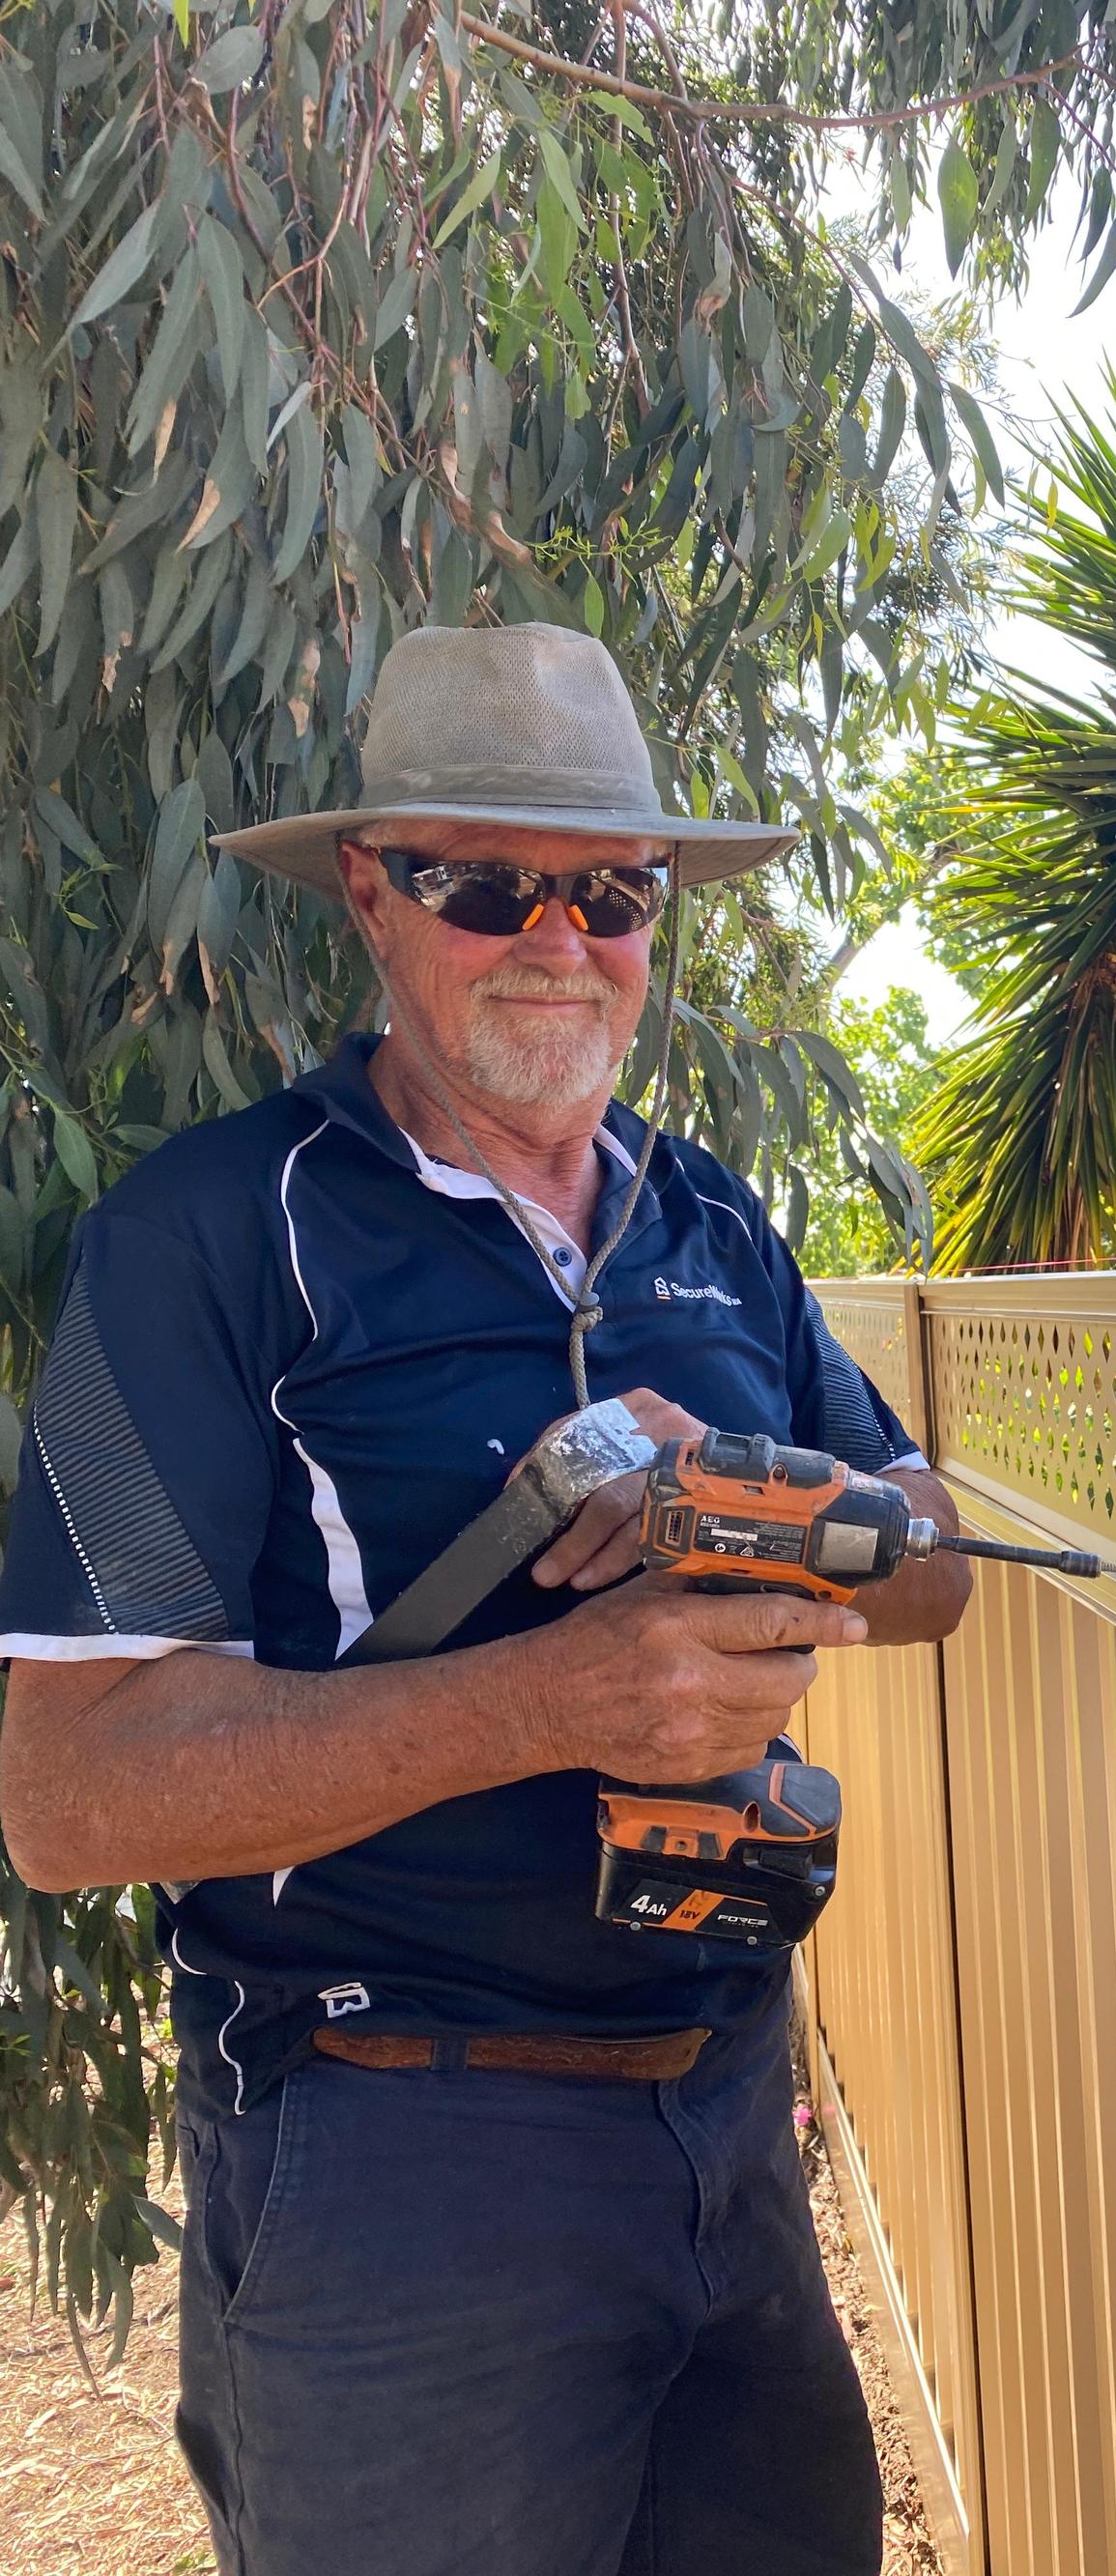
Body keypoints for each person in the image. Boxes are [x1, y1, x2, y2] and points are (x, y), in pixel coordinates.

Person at [0, 623, 970, 2576]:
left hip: (730, 2106)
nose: (558, 934)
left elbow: (933, 1549)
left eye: (609, 889)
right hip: (397, 2156)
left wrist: (768, 1505)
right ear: (370, 894)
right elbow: (67, 1797)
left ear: (660, 911)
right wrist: (557, 1699)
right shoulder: (200, 1235)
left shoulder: (710, 1220)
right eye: (482, 881)